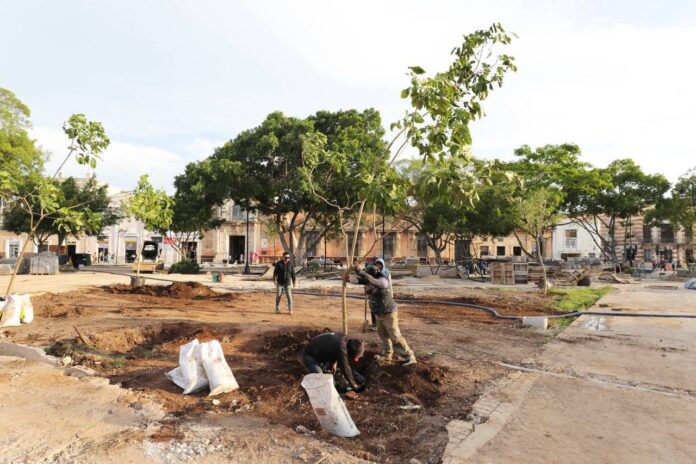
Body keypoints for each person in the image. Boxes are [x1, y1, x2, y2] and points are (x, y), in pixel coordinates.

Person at [353, 262, 417, 366]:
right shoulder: (371, 280)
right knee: (383, 335)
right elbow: (360, 280)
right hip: (379, 313)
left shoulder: (383, 281)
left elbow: (370, 280)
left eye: (369, 274)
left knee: (395, 336)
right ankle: (387, 356)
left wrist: (360, 271)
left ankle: (409, 356)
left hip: (389, 313)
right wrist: (350, 277)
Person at [372, 258, 393, 331]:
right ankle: (375, 324)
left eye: (380, 264)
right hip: (376, 293)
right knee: (374, 308)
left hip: (384, 293)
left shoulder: (386, 272)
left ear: (382, 264)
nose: (378, 265)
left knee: (384, 308)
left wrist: (391, 294)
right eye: (377, 264)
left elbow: (389, 284)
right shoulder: (374, 272)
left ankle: (385, 324)